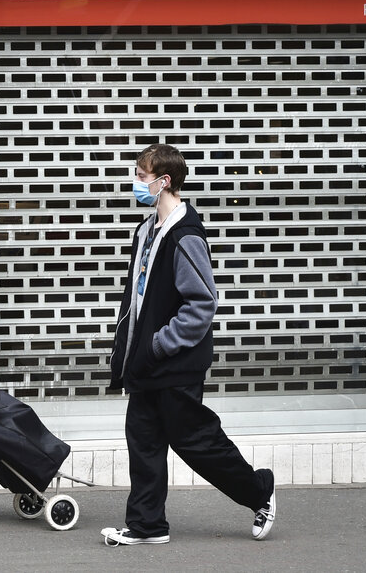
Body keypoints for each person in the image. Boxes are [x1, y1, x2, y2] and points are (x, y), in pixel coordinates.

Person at [101, 144, 277, 546]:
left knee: (195, 441)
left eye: (141, 177)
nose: (135, 183)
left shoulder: (185, 235)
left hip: (175, 362)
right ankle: (147, 526)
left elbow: (202, 304)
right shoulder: (147, 231)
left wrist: (160, 344)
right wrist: (125, 352)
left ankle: (259, 490)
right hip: (146, 364)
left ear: (164, 182)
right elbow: (138, 299)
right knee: (143, 440)